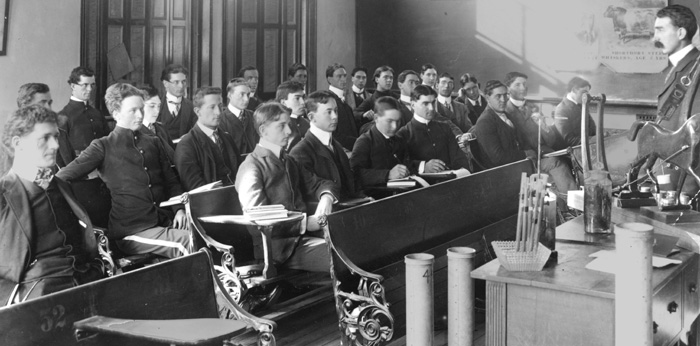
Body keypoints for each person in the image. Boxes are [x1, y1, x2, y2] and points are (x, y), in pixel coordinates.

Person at [57, 83, 190, 259]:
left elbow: (171, 181)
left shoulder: (153, 142)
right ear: (116, 113)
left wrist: (179, 209)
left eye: (141, 109)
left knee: (210, 233)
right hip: (131, 231)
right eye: (133, 110)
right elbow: (62, 177)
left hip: (164, 220)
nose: (140, 115)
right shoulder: (102, 146)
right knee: (188, 242)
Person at [0, 105, 103, 305]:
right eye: (45, 138)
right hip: (37, 292)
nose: (55, 145)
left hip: (85, 279)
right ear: (18, 143)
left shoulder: (62, 186)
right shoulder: (4, 194)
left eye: (56, 137)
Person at [235, 102, 335, 272]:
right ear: (263, 131)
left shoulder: (289, 160)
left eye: (288, 125)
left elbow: (321, 184)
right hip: (278, 251)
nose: (289, 132)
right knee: (343, 257)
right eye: (281, 126)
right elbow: (258, 219)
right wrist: (304, 224)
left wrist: (327, 197)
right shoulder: (251, 167)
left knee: (357, 246)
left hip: (304, 240)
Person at [504, 72, 577, 193]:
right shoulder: (506, 111)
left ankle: (568, 204)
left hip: (543, 153)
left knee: (569, 160)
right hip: (525, 158)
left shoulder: (534, 108)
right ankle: (571, 203)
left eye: (524, 84)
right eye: (517, 85)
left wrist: (543, 126)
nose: (523, 88)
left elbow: (550, 140)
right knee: (557, 164)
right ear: (508, 89)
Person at [290, 91, 363, 206]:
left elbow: (351, 186)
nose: (335, 116)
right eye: (328, 112)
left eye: (336, 111)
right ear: (311, 117)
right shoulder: (300, 152)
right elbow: (309, 192)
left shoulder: (336, 146)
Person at [175, 86, 241, 191]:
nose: (219, 112)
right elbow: (196, 189)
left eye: (220, 106)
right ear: (197, 111)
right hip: (209, 202)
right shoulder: (186, 145)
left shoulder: (227, 138)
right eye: (212, 107)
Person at [396, 85, 471, 174]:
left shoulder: (445, 128)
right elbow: (400, 164)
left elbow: (459, 159)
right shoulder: (404, 134)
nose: (431, 108)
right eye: (425, 104)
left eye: (433, 103)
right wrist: (423, 166)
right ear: (413, 105)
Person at [654, 4, 700, 131]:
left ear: (681, 33)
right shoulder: (680, 65)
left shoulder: (696, 66)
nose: (655, 37)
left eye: (661, 30)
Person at [351, 96, 411, 188]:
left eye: (398, 121)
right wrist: (388, 174)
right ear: (376, 118)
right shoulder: (364, 142)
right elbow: (355, 174)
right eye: (389, 121)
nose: (395, 126)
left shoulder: (399, 139)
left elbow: (407, 163)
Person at [15, 83, 75, 170]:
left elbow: (75, 170)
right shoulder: (16, 139)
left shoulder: (61, 135)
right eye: (42, 103)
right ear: (25, 107)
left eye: (49, 103)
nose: (48, 108)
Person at [472, 80, 526, 169]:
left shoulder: (508, 115)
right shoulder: (485, 122)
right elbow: (497, 158)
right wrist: (525, 154)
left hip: (518, 165)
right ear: (487, 98)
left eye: (505, 95)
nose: (503, 100)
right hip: (500, 173)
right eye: (498, 96)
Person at [58, 66, 111, 156]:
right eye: (85, 85)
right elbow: (63, 154)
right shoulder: (63, 116)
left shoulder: (97, 114)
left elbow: (108, 143)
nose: (90, 89)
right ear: (73, 86)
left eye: (92, 85)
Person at [552, 77, 596, 150]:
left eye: (587, 93)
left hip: (587, 147)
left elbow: (592, 127)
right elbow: (569, 140)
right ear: (573, 90)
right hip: (571, 152)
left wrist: (599, 137)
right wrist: (593, 140)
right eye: (583, 92)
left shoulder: (582, 105)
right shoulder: (561, 109)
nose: (586, 96)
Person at [138, 84, 175, 165]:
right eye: (152, 106)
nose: (157, 111)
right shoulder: (134, 132)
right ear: (140, 107)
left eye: (158, 106)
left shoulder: (162, 128)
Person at [220, 78, 259, 155]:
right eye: (242, 94)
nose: (246, 99)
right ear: (230, 95)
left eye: (248, 95)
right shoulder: (221, 120)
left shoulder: (254, 116)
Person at [157, 64, 197, 139]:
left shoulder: (191, 106)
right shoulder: (156, 105)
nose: (181, 86)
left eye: (183, 81)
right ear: (165, 83)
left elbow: (197, 131)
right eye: (176, 82)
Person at [325, 63, 359, 151]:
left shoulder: (343, 99)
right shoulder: (329, 100)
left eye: (344, 76)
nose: (343, 79)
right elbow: (334, 134)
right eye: (339, 76)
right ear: (329, 79)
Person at [276, 81, 310, 150]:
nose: (303, 102)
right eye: (297, 98)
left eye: (303, 97)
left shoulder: (307, 123)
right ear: (283, 102)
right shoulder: (276, 125)